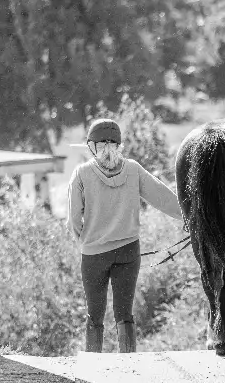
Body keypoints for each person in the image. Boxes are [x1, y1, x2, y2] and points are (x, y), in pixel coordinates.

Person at [66, 118, 184, 353]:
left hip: (93, 256)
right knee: (124, 313)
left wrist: (86, 242)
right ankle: (128, 363)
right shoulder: (133, 169)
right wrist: (189, 216)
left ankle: (93, 364)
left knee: (95, 314)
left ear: (93, 146)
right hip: (129, 251)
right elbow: (163, 198)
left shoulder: (81, 173)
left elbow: (73, 219)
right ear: (118, 145)